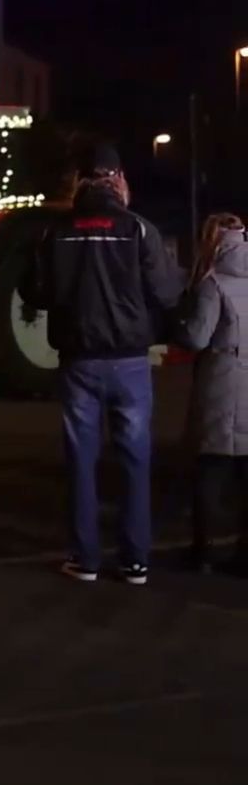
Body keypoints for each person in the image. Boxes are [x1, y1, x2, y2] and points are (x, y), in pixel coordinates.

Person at [22, 143, 181, 585]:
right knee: (134, 460)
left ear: (81, 181)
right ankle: (134, 560)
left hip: (79, 361)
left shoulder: (55, 232)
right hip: (130, 361)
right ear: (118, 180)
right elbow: (167, 293)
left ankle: (85, 558)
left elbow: (35, 292)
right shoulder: (139, 231)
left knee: (81, 460)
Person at [176, 212, 246, 574]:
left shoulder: (212, 283)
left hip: (222, 382)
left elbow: (196, 337)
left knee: (210, 469)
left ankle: (202, 552)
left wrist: (180, 325)